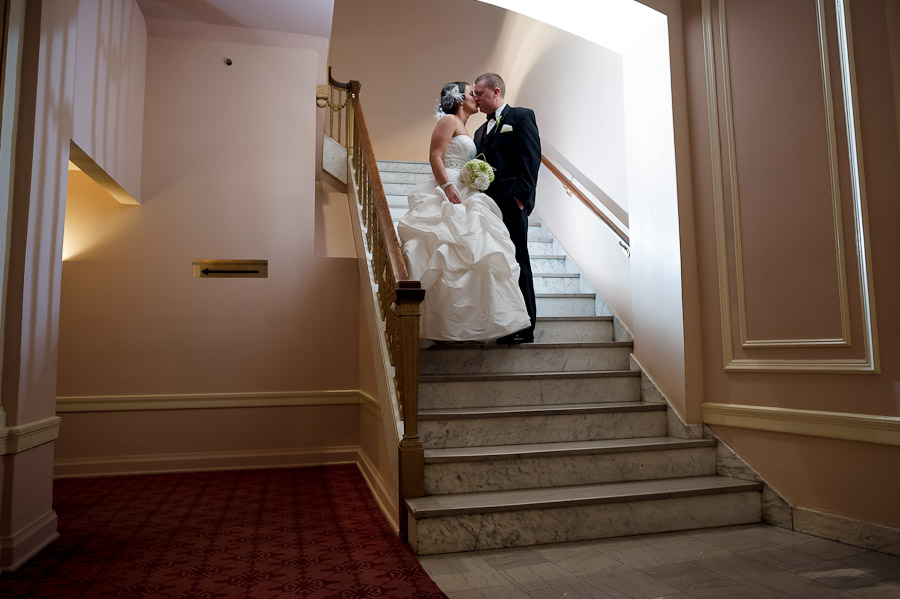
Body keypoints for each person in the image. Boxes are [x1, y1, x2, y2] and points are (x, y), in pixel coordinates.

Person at [398, 82, 531, 342]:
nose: (476, 98)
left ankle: (469, 323)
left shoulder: (474, 130)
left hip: (468, 190)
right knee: (447, 251)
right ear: (460, 99)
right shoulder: (448, 120)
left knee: (477, 253)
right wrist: (447, 187)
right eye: (472, 93)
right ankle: (439, 326)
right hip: (451, 189)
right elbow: (436, 155)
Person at [473, 73, 541, 344]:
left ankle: (526, 326)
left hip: (512, 205)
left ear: (496, 92)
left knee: (518, 260)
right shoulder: (479, 131)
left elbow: (531, 157)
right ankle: (505, 322)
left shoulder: (521, 117)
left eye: (479, 93)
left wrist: (522, 199)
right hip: (487, 208)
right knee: (498, 265)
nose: (475, 98)